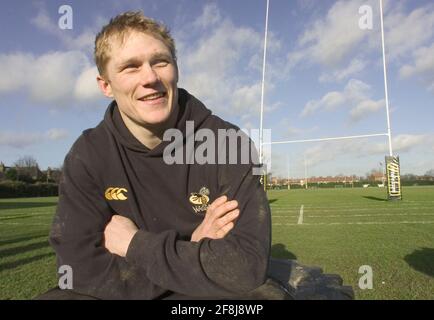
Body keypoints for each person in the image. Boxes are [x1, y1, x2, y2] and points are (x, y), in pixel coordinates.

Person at [48, 11, 271, 300]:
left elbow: (244, 267)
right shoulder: (87, 155)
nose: (150, 77)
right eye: (131, 67)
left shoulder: (226, 143)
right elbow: (76, 270)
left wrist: (135, 245)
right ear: (105, 85)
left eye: (160, 62)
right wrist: (191, 247)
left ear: (175, 68)